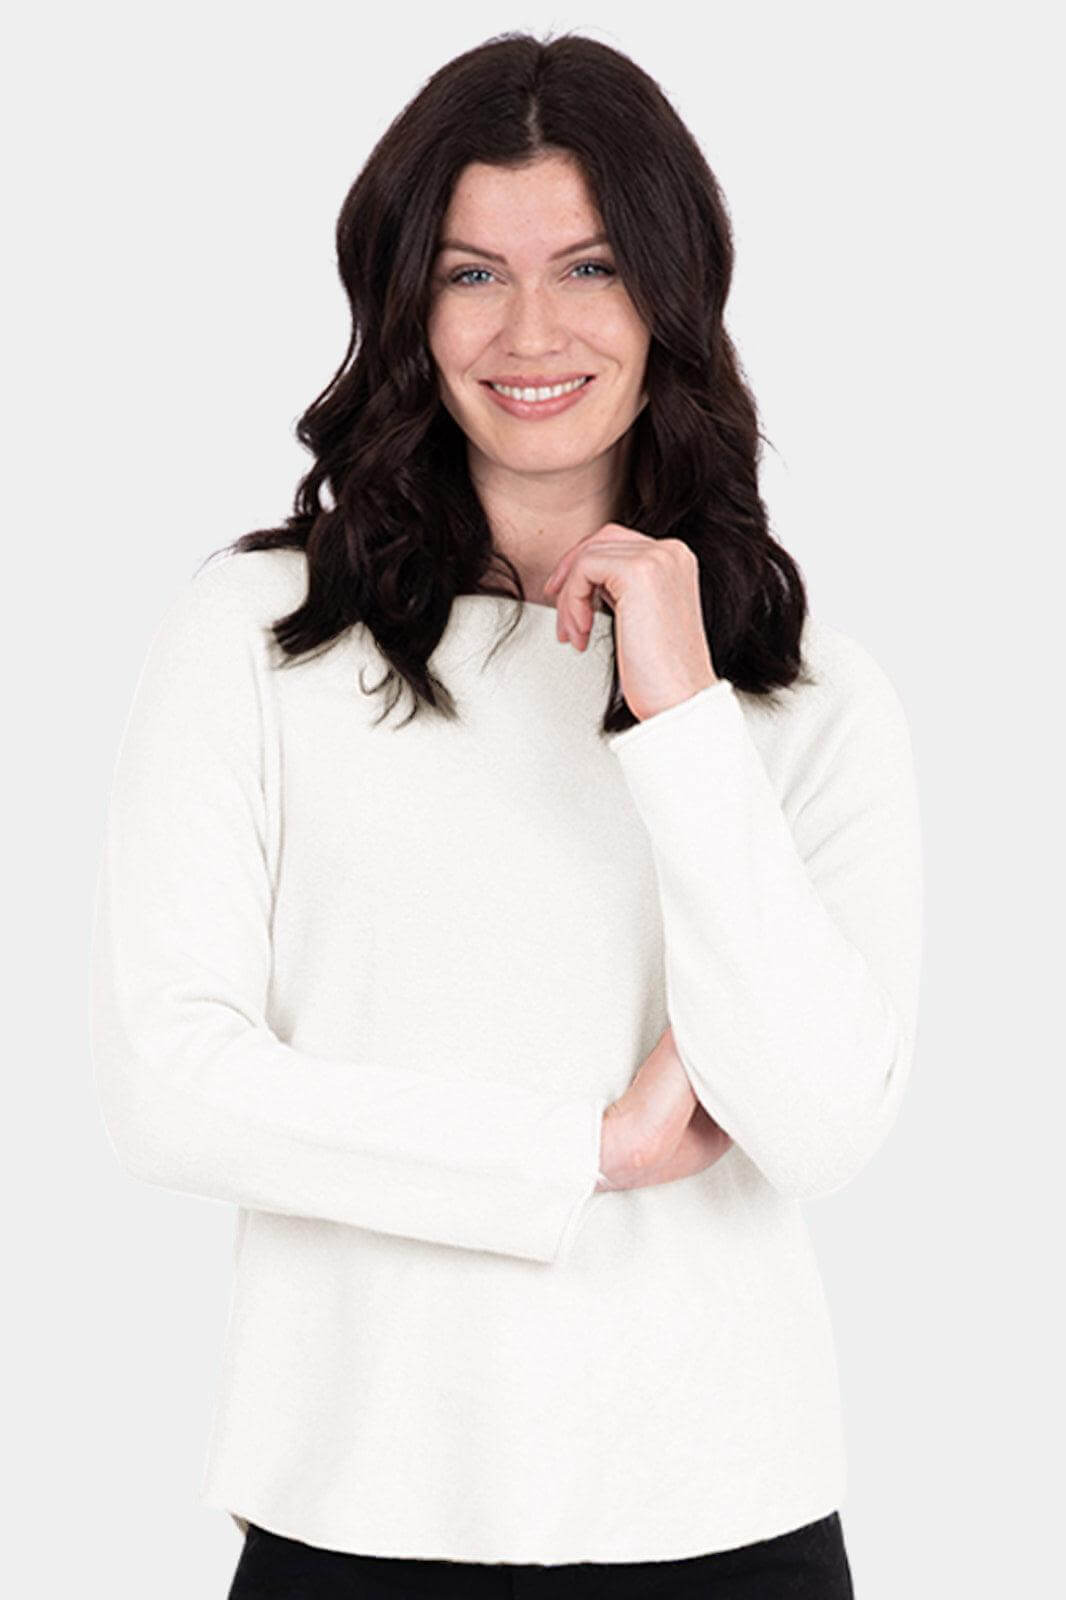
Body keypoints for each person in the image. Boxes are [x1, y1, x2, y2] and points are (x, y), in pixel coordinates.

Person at [89, 28, 923, 1600]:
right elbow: (164, 1084)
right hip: (357, 1513)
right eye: (471, 274)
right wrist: (580, 1151)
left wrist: (681, 716)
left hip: (724, 1521)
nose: (530, 330)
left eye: (588, 266)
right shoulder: (258, 638)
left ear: (668, 291)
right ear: (405, 304)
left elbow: (818, 1125)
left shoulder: (802, 696)